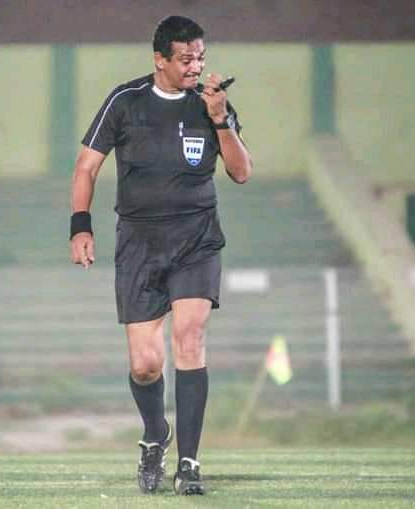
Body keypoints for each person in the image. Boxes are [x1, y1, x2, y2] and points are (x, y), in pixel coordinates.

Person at [69, 15, 251, 495]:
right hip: (140, 244)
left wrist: (220, 118)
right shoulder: (125, 101)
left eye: (201, 58)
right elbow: (86, 167)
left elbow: (241, 171)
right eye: (186, 59)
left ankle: (189, 463)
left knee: (190, 338)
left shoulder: (212, 104)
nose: (196, 67)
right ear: (160, 60)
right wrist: (80, 225)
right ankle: (156, 434)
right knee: (145, 365)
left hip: (196, 241)